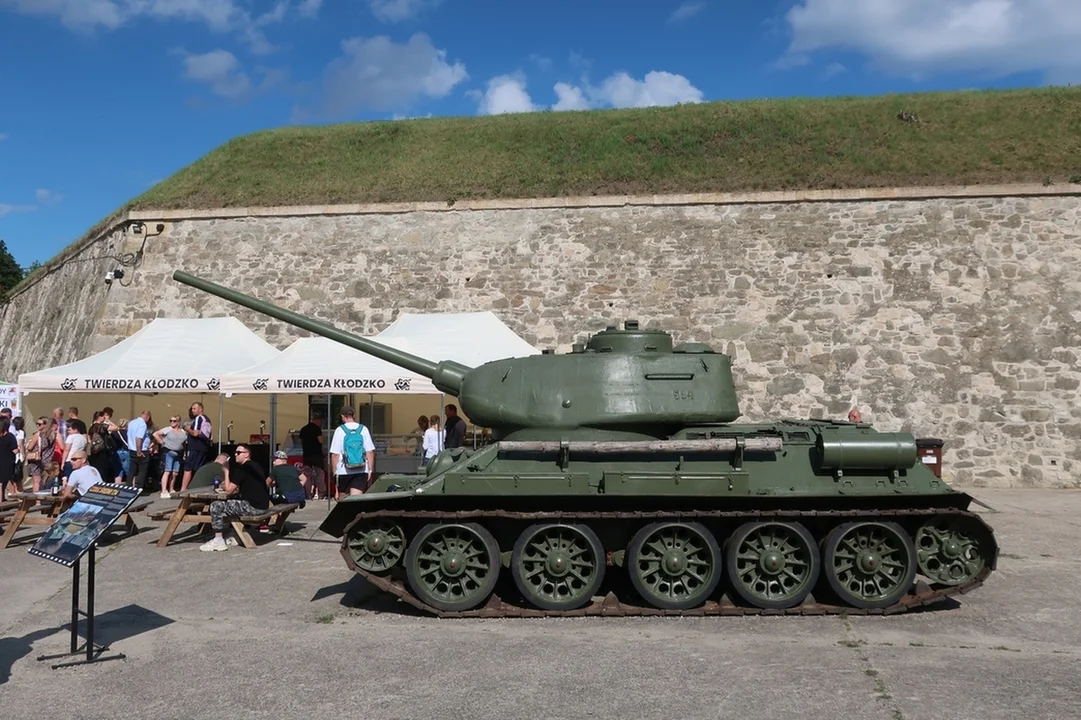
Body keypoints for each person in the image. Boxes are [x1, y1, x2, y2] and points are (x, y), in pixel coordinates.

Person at [200, 445, 270, 552]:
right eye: (235, 452)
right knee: (230, 503)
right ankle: (231, 534)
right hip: (263, 505)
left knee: (216, 505)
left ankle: (218, 540)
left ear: (247, 454)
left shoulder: (243, 468)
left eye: (238, 452)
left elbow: (228, 490)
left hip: (252, 507)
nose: (235, 455)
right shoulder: (256, 466)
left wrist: (226, 471)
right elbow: (236, 486)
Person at [328, 406, 375, 497]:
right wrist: (370, 470)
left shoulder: (339, 430)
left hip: (343, 470)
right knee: (356, 498)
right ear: (354, 415)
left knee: (342, 499)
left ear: (342, 416)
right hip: (361, 469)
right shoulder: (363, 429)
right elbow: (370, 452)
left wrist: (334, 472)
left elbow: (335, 454)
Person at [153, 415, 188, 498]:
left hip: (178, 453)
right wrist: (161, 442)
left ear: (179, 422)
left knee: (175, 473)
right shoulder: (168, 429)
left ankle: (171, 489)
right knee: (167, 471)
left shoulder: (183, 432)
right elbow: (155, 434)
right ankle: (164, 491)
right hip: (169, 452)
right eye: (171, 420)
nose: (172, 422)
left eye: (174, 421)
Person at [180, 402, 212, 491]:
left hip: (194, 447)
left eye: (194, 408)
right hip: (203, 447)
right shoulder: (207, 419)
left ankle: (183, 490)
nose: (192, 410)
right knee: (198, 468)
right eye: (192, 409)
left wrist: (187, 429)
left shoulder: (199, 418)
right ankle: (196, 488)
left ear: (200, 409)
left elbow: (195, 433)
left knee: (188, 468)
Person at [297, 413, 326, 500]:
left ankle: (308, 494)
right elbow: (321, 441)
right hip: (317, 455)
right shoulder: (317, 429)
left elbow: (299, 441)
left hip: (306, 455)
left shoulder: (304, 429)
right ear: (318, 420)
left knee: (307, 475)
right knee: (319, 474)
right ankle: (321, 493)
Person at [126, 410, 152, 491]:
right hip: (140, 450)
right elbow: (138, 438)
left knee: (132, 470)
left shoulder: (131, 422)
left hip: (131, 449)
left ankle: (128, 486)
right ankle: (139, 488)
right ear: (148, 418)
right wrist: (139, 451)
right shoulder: (142, 424)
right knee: (142, 471)